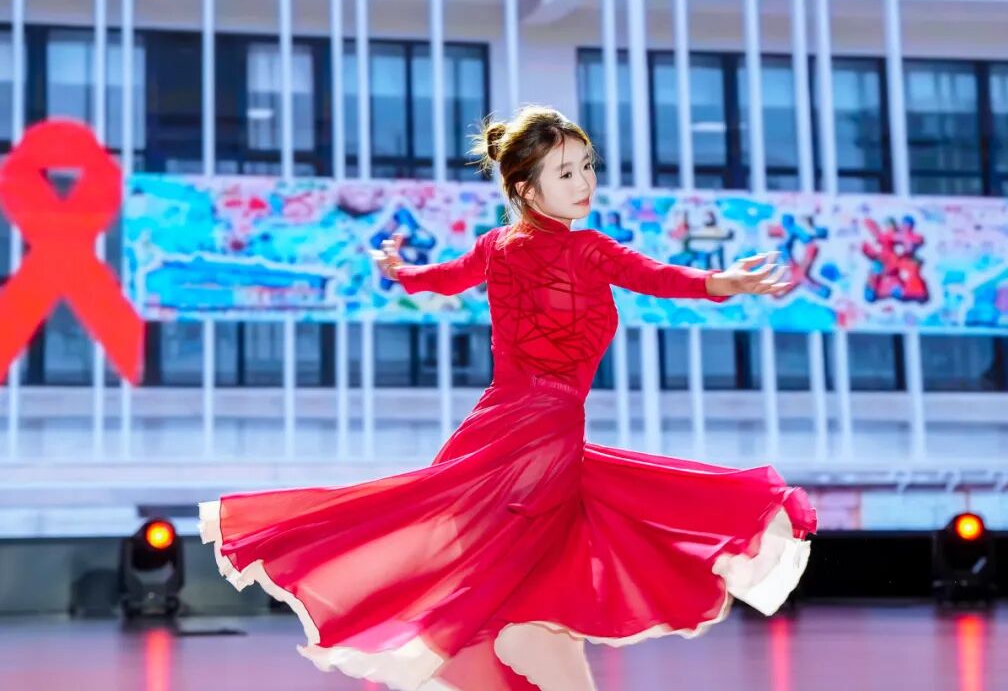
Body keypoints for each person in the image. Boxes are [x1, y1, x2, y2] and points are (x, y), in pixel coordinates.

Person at [199, 105, 817, 691]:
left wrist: (401, 273)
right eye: (565, 172)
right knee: (538, 585)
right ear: (525, 188)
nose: (585, 182)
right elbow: (652, 278)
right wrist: (721, 283)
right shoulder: (569, 250)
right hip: (533, 439)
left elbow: (646, 277)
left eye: (587, 166)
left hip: (516, 433)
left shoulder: (517, 248)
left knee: (536, 591)